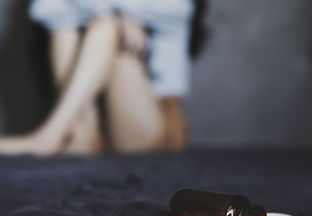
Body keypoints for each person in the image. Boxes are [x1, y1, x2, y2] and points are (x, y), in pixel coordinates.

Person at [0, 0, 205, 155]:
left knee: (106, 26)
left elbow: (176, 7)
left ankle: (49, 137)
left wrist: (120, 16)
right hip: (98, 124)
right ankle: (80, 138)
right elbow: (46, 8)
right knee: (64, 29)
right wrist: (119, 14)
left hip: (156, 125)